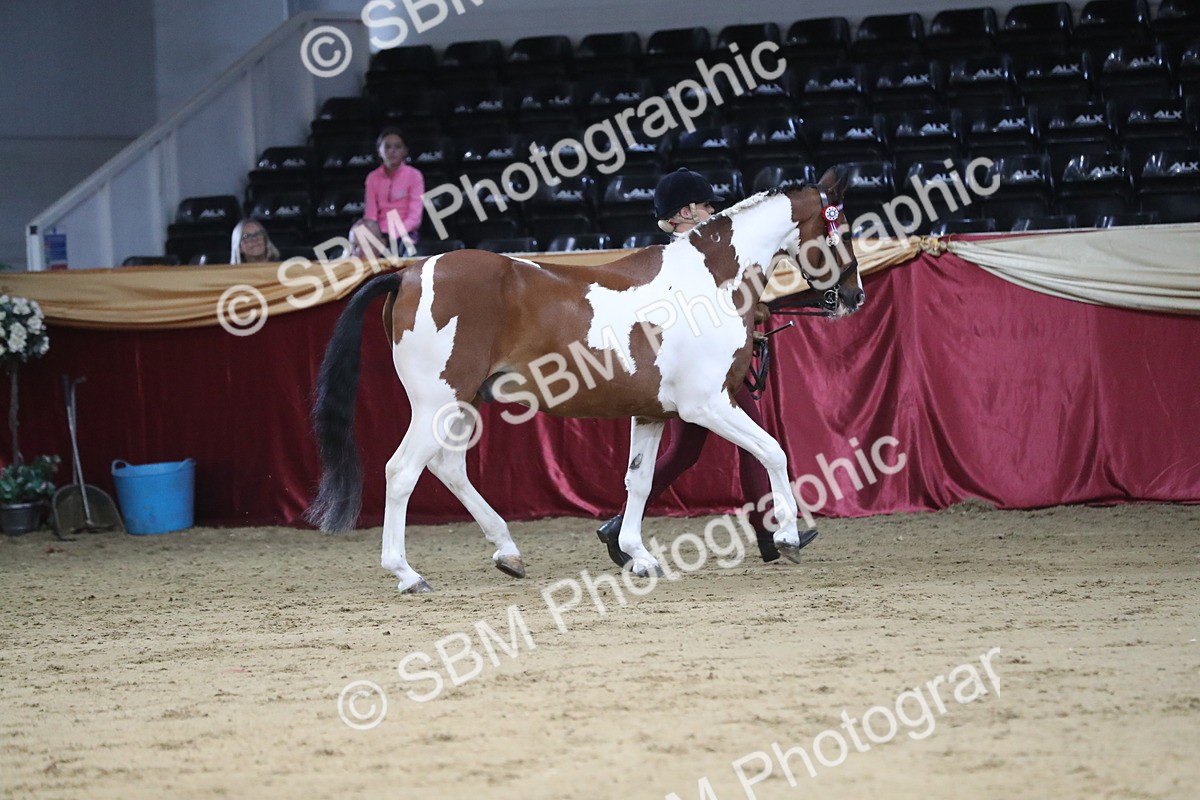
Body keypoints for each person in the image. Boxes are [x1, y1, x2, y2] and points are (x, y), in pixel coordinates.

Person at [596, 168, 819, 566]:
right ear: (685, 212)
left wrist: (752, 314)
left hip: (705, 374)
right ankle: (769, 531)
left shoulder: (708, 257)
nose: (712, 212)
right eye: (705, 206)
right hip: (697, 378)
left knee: (685, 453)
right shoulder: (685, 262)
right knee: (754, 445)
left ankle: (622, 524)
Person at [363, 128, 424, 249]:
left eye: (397, 147)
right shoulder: (372, 177)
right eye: (387, 147)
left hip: (406, 232)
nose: (392, 151)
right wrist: (376, 235)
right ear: (379, 151)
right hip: (380, 233)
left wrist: (394, 234)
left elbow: (414, 217)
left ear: (405, 151)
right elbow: (370, 215)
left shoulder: (414, 175)